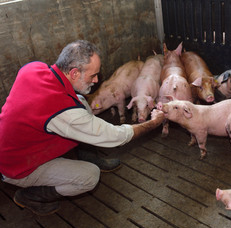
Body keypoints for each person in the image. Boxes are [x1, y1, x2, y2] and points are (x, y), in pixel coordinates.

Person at [0, 40, 165, 216]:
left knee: (81, 100)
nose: (96, 80)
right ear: (74, 73)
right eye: (93, 75)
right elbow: (116, 137)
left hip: (16, 143)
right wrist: (154, 123)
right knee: (89, 177)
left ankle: (88, 155)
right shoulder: (61, 110)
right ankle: (30, 196)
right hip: (16, 166)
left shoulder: (33, 68)